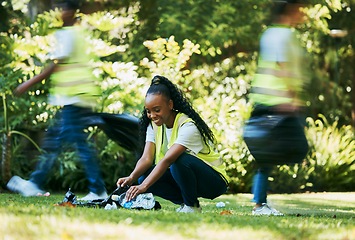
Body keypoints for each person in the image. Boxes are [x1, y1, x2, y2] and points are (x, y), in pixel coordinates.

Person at [7, 0, 108, 201]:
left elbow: (56, 65)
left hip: (75, 97)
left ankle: (97, 189)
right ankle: (35, 182)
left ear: (71, 11)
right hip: (77, 96)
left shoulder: (69, 34)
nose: (61, 12)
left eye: (65, 9)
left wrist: (28, 84)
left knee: (75, 143)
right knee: (55, 140)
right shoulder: (75, 34)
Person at [116, 75, 229, 213]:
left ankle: (191, 206)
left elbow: (168, 159)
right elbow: (146, 158)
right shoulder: (154, 126)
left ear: (170, 105)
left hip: (214, 181)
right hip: (184, 175)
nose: (152, 115)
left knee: (178, 161)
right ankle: (188, 203)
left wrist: (144, 187)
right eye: (148, 111)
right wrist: (131, 178)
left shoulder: (188, 126)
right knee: (143, 177)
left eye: (157, 110)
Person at [246, 0, 309, 216]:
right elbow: (281, 67)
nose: (303, 13)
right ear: (291, 10)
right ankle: (260, 204)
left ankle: (259, 203)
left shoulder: (269, 33)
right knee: (299, 148)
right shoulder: (284, 35)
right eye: (300, 9)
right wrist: (290, 96)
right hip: (278, 103)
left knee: (267, 158)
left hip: (265, 100)